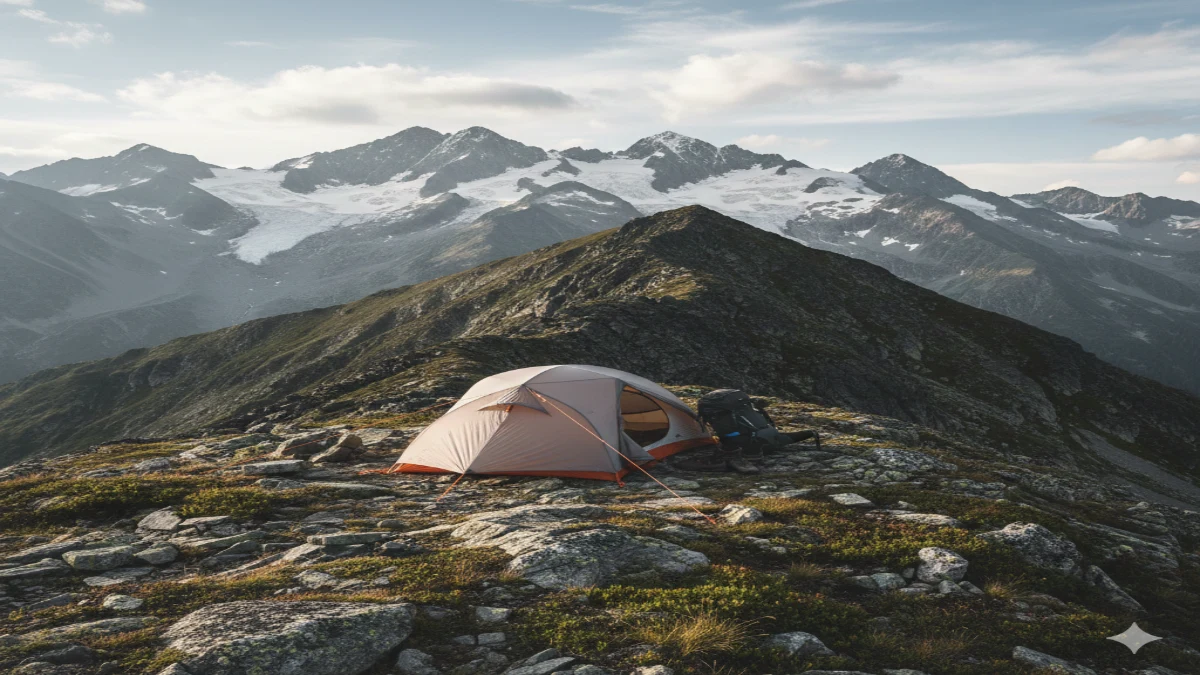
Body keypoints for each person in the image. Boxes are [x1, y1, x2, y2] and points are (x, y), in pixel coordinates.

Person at [685, 389, 821, 474]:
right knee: (781, 439)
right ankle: (811, 432)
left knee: (776, 440)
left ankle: (734, 455)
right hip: (765, 435)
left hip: (757, 440)